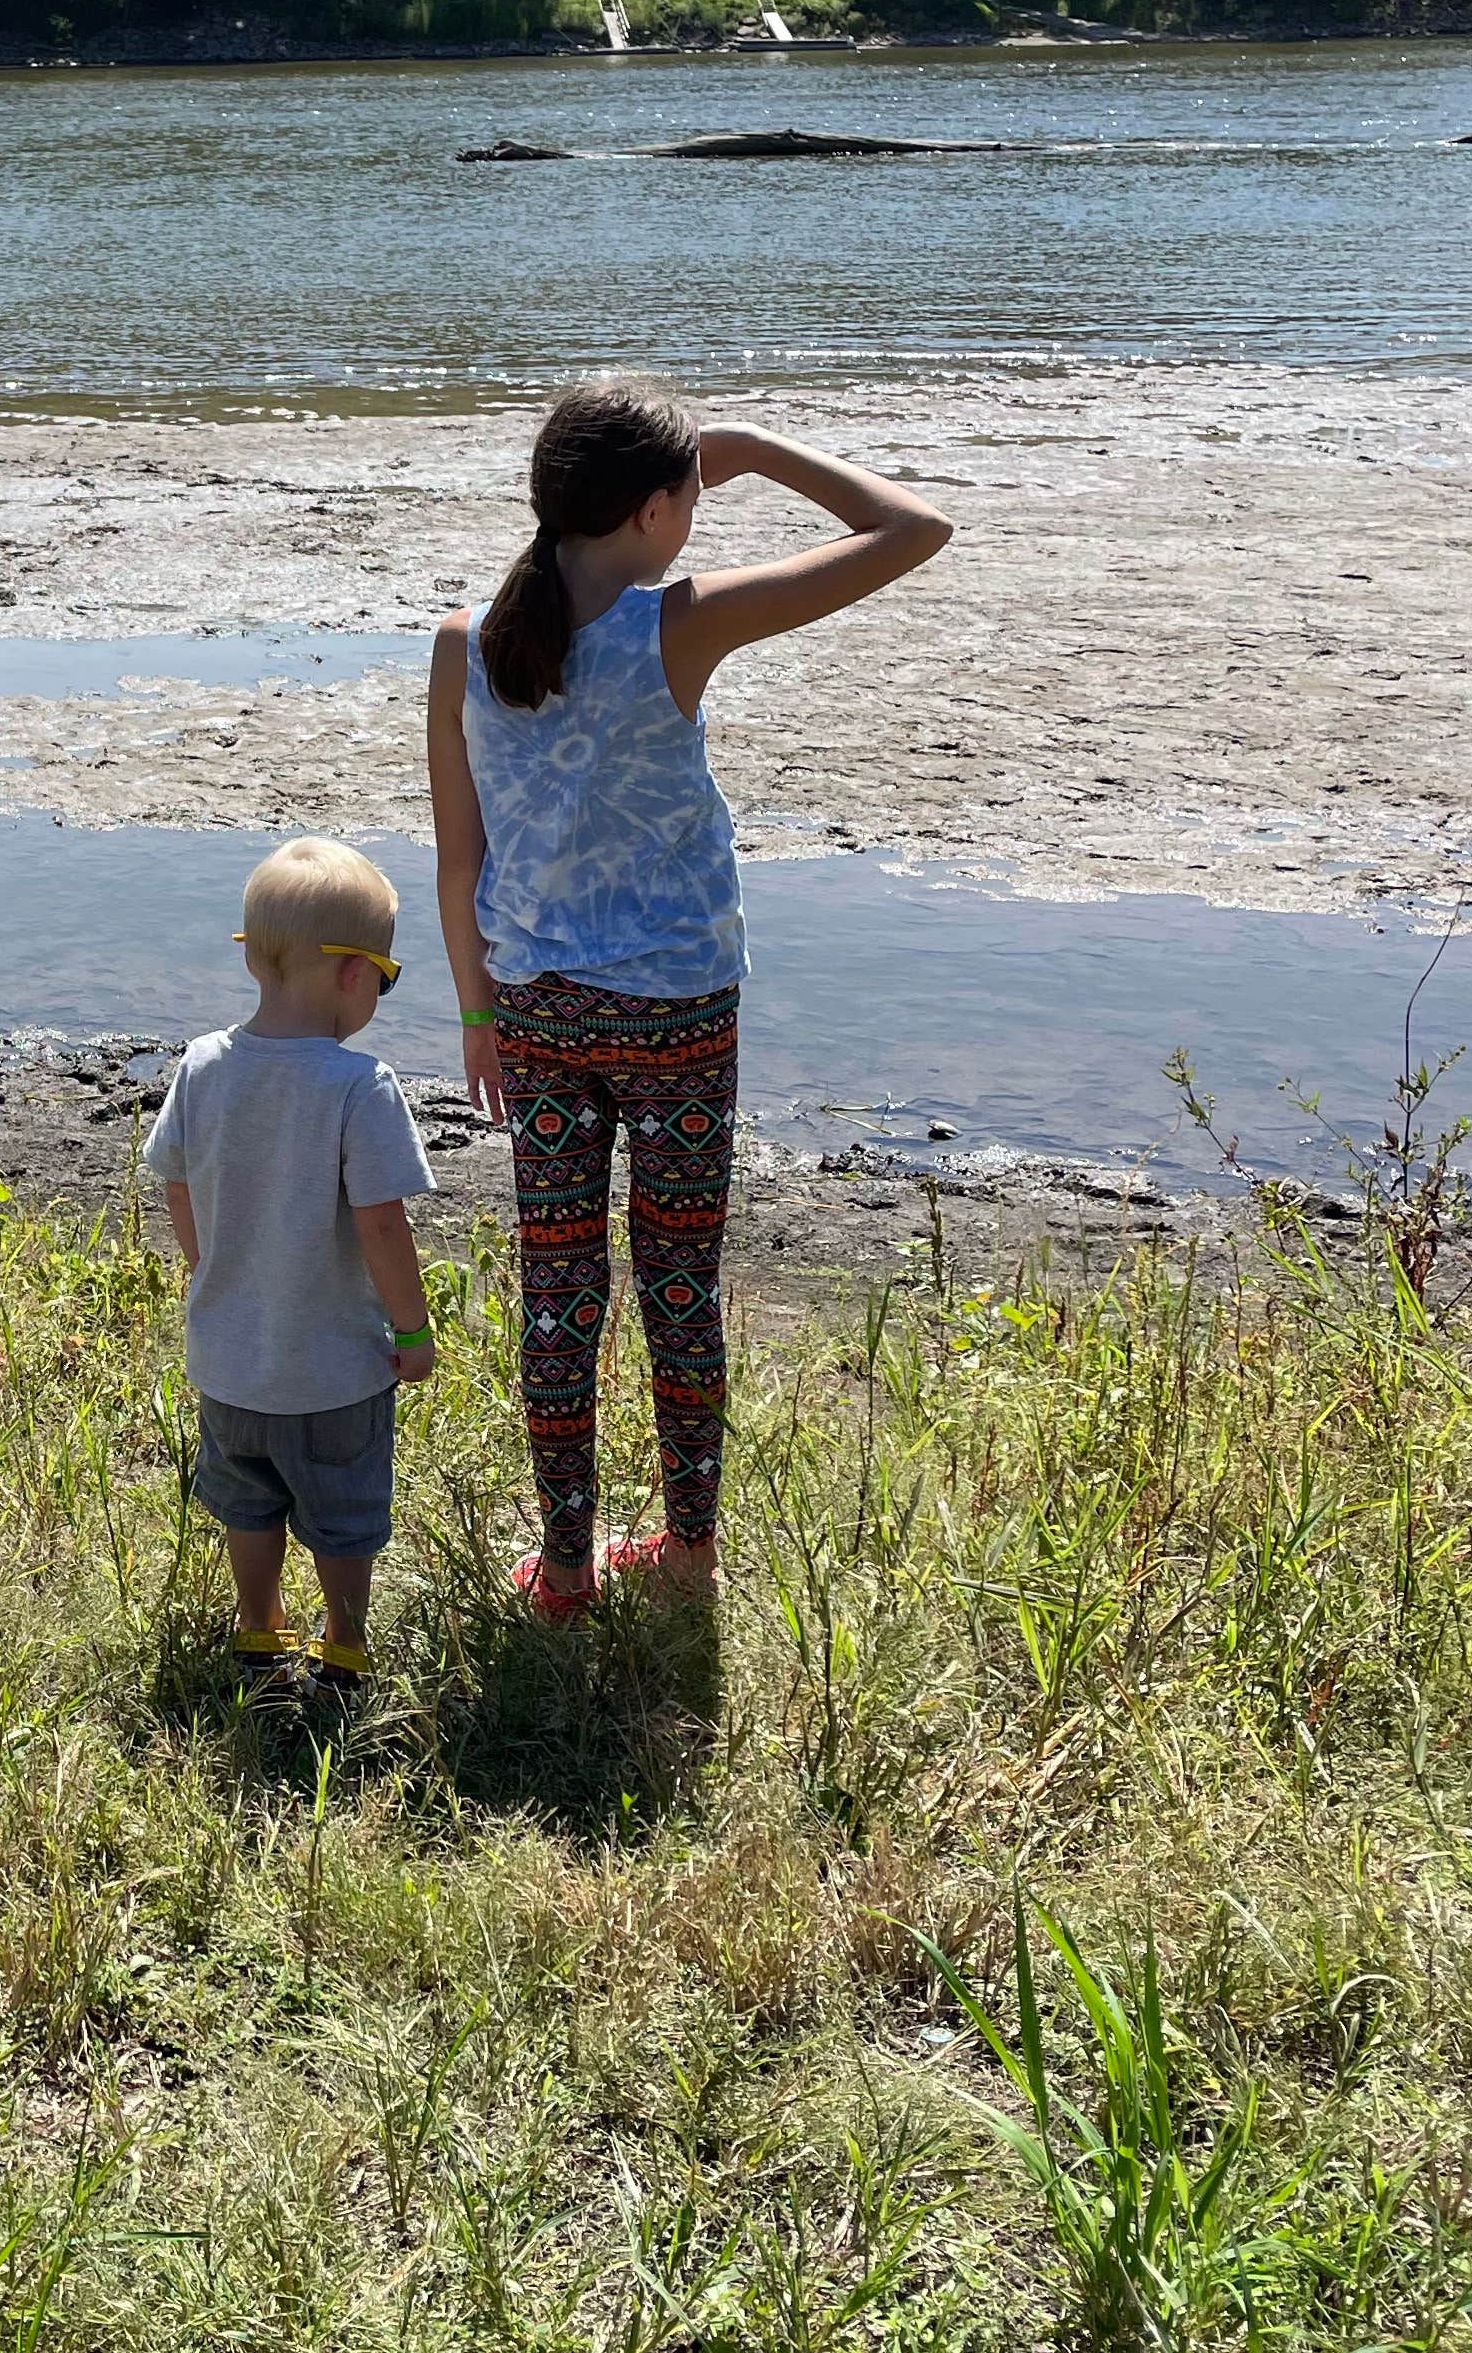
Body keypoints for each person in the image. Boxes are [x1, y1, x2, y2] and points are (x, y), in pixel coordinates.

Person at [428, 386, 951, 1618]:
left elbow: (460, 862)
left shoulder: (465, 639)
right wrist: (761, 448)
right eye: (694, 500)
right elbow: (913, 527)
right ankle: (689, 1557)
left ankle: (563, 1571)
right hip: (675, 1015)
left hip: (536, 1013)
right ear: (656, 508)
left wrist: (473, 1017)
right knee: (676, 1281)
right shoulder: (681, 622)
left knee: (559, 1288)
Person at [142, 839, 440, 1685]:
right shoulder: (360, 1086)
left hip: (229, 1362)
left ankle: (260, 1624)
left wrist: (211, 1273)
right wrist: (413, 1332)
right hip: (336, 1372)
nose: (380, 992)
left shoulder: (201, 1066)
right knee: (343, 1517)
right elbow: (383, 1228)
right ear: (353, 974)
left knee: (248, 1502)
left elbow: (176, 1188)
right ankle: (343, 1639)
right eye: (386, 975)